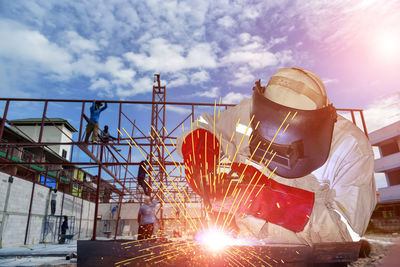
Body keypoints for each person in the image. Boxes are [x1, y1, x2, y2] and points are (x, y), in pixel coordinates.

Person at [177, 67, 376, 245]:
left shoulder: (350, 146)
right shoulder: (248, 111)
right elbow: (205, 126)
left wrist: (267, 201)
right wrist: (198, 151)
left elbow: (346, 234)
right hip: (241, 246)